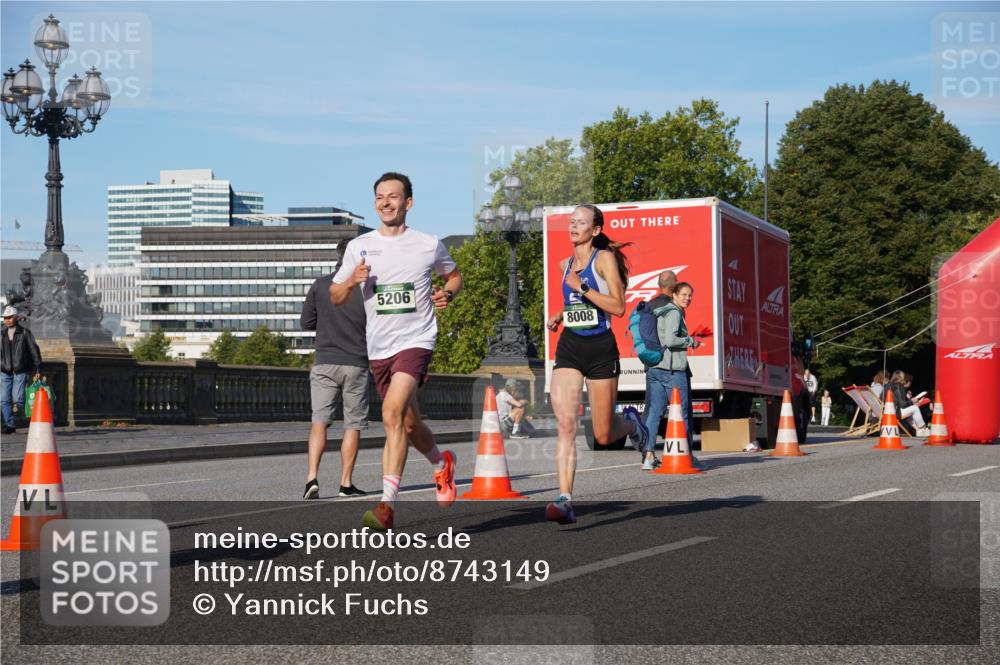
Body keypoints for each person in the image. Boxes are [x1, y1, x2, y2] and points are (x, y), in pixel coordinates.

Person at [330, 172, 462, 530]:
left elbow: (454, 275)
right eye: (379, 197)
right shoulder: (360, 247)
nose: (385, 203)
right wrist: (353, 281)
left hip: (416, 339)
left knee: (390, 413)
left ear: (408, 203)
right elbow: (336, 295)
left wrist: (447, 293)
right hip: (379, 346)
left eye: (393, 197)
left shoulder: (428, 244)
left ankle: (387, 506)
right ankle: (440, 463)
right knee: (407, 422)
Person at [545, 204, 648, 524]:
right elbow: (575, 301)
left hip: (601, 349)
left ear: (596, 230)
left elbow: (617, 307)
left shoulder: (603, 261)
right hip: (571, 348)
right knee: (566, 424)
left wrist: (583, 287)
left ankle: (632, 422)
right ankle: (565, 499)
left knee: (604, 435)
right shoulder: (564, 264)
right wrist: (561, 315)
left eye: (581, 223)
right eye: (571, 222)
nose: (574, 227)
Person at [299, 266, 369, 500]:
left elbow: (306, 322)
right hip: (356, 362)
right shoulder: (365, 288)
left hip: (324, 361)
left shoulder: (320, 285)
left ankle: (311, 477)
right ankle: (345, 483)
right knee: (353, 424)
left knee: (319, 421)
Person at [641, 281, 702, 469]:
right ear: (673, 295)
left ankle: (649, 456)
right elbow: (670, 339)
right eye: (683, 294)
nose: (687, 298)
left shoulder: (660, 311)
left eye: (690, 295)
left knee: (654, 413)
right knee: (682, 412)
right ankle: (684, 456)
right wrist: (691, 341)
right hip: (672, 370)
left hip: (654, 368)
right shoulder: (675, 312)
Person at [1, 307, 42, 435]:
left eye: (10, 317)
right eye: (5, 318)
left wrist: (37, 368)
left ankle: (32, 420)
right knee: (3, 400)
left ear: (16, 317)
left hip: (20, 370)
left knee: (18, 399)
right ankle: (9, 424)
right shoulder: (1, 333)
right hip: (4, 370)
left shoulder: (25, 333)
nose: (7, 320)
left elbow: (34, 351)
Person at [887, 370, 928, 436]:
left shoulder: (887, 385)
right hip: (893, 413)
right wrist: (912, 401)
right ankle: (923, 429)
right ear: (902, 377)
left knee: (910, 410)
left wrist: (909, 400)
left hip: (885, 411)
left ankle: (919, 430)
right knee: (915, 408)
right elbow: (903, 405)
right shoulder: (899, 387)